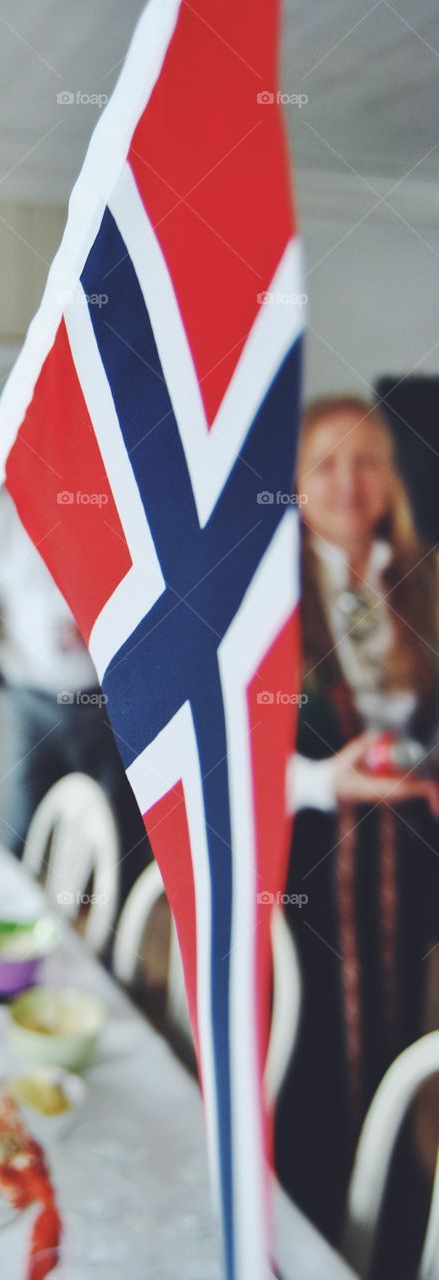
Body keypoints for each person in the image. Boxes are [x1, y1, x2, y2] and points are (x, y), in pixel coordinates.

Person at [276, 395, 439, 1260]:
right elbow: (226, 758)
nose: (350, 480)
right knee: (314, 1050)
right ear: (296, 483)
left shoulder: (423, 579)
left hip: (407, 865)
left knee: (401, 1036)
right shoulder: (269, 594)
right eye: (327, 463)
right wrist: (318, 780)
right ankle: (311, 1232)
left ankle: (395, 1228)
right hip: (308, 863)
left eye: (368, 459)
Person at [0, 488, 149, 897]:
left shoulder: (113, 500)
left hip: (107, 702)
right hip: (28, 702)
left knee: (120, 839)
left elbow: (149, 587)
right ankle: (16, 923)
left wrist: (105, 626)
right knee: (20, 830)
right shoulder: (1, 517)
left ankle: (113, 932)